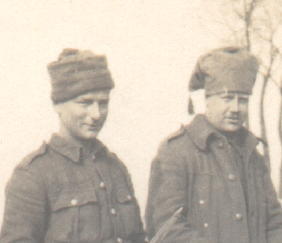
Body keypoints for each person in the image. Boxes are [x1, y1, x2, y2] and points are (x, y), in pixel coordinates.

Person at [0, 48, 145, 243]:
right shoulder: (32, 175)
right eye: (85, 103)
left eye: (103, 103)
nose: (96, 114)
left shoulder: (115, 167)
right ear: (57, 105)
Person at [145, 47, 282, 243]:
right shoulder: (176, 152)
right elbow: (165, 228)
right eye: (226, 98)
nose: (235, 108)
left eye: (242, 100)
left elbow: (275, 222)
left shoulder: (254, 157)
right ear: (208, 99)